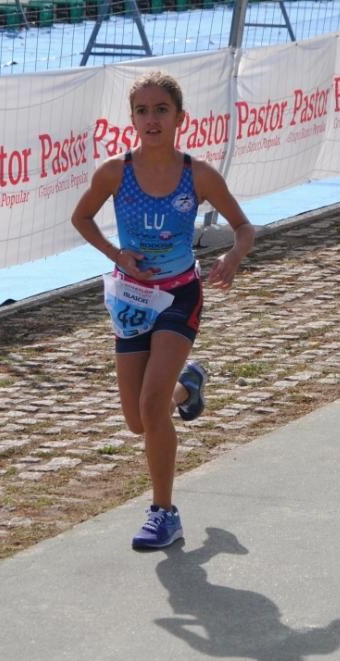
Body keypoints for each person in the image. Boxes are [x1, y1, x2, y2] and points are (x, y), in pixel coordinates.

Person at [72, 71, 255, 550]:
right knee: (137, 420)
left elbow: (244, 227)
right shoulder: (115, 172)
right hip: (131, 300)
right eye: (142, 110)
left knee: (151, 407)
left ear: (179, 118)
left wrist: (231, 258)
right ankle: (187, 386)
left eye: (161, 110)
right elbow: (81, 217)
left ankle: (164, 513)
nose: (151, 119)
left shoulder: (199, 175)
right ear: (131, 118)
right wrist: (117, 256)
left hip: (179, 296)